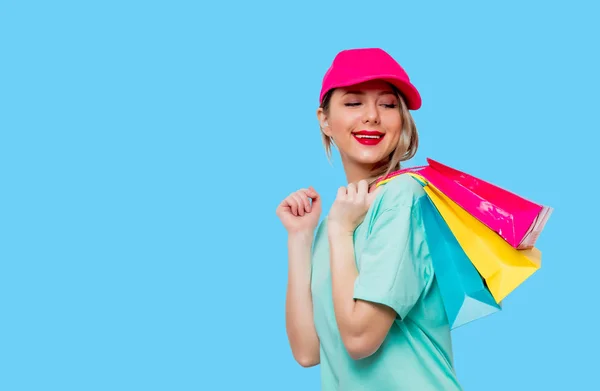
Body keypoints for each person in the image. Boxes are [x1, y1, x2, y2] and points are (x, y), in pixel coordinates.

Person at [276, 48, 463, 390]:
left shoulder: (403, 197)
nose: (372, 117)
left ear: (402, 119)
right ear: (324, 119)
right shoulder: (339, 221)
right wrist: (301, 237)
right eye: (353, 103)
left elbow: (360, 339)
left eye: (388, 104)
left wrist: (339, 231)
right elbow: (308, 351)